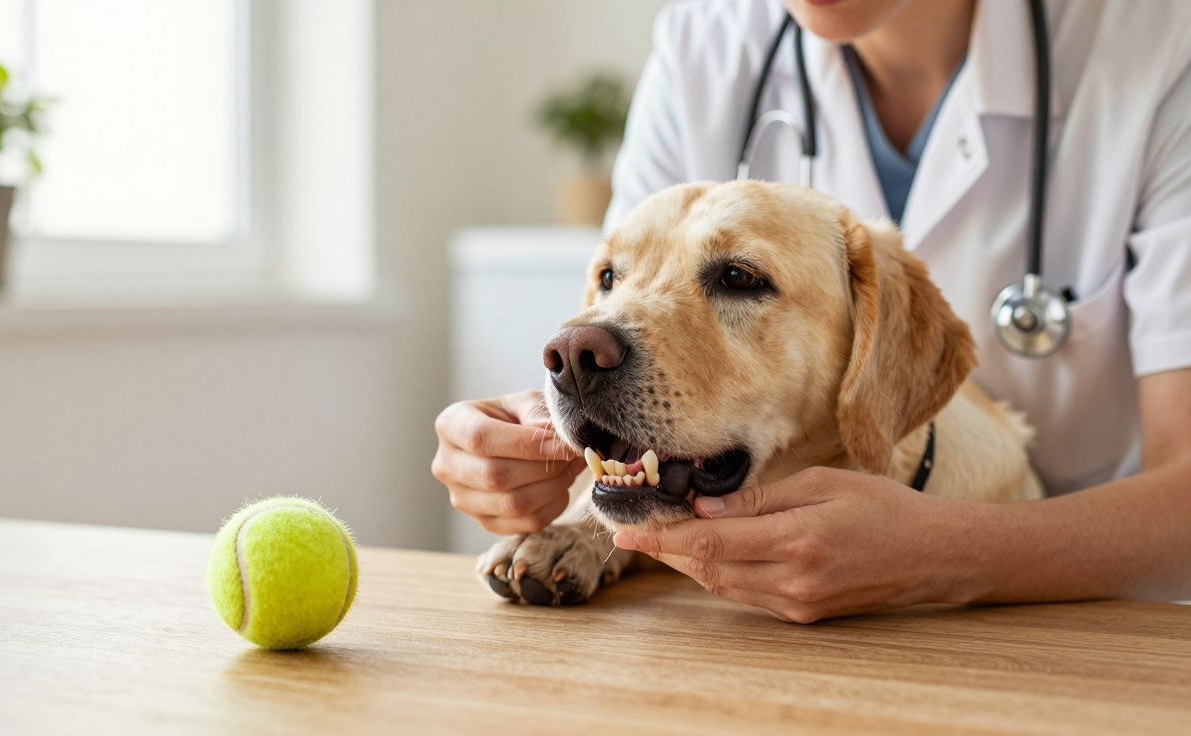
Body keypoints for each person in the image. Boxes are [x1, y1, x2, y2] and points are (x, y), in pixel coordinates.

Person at [433, 0, 1191, 621]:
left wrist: (939, 553)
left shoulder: (1160, 44)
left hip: (1103, 627)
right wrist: (544, 447)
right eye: (606, 276)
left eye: (738, 278)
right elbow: (631, 327)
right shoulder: (705, 43)